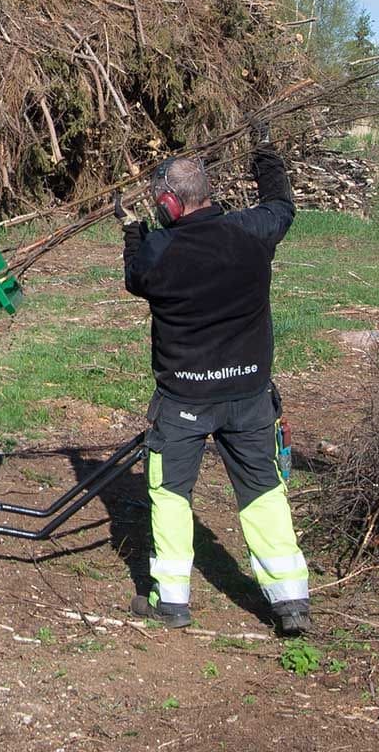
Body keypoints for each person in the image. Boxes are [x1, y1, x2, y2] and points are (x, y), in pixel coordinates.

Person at [116, 133, 310, 634]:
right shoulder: (252, 231)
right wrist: (264, 150)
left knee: (171, 494)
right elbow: (282, 204)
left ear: (167, 202)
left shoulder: (158, 250)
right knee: (263, 491)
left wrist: (132, 230)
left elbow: (135, 276)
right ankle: (290, 602)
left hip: (184, 400)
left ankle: (172, 602)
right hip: (248, 396)